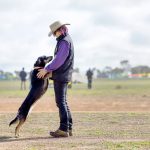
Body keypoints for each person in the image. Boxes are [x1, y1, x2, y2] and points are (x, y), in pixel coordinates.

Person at [37, 21, 74, 138]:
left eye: (54, 33)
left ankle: (63, 129)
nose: (54, 35)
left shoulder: (64, 42)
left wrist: (46, 69)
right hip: (65, 75)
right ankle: (68, 127)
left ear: (59, 30)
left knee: (60, 102)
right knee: (64, 102)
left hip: (61, 76)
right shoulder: (67, 39)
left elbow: (58, 60)